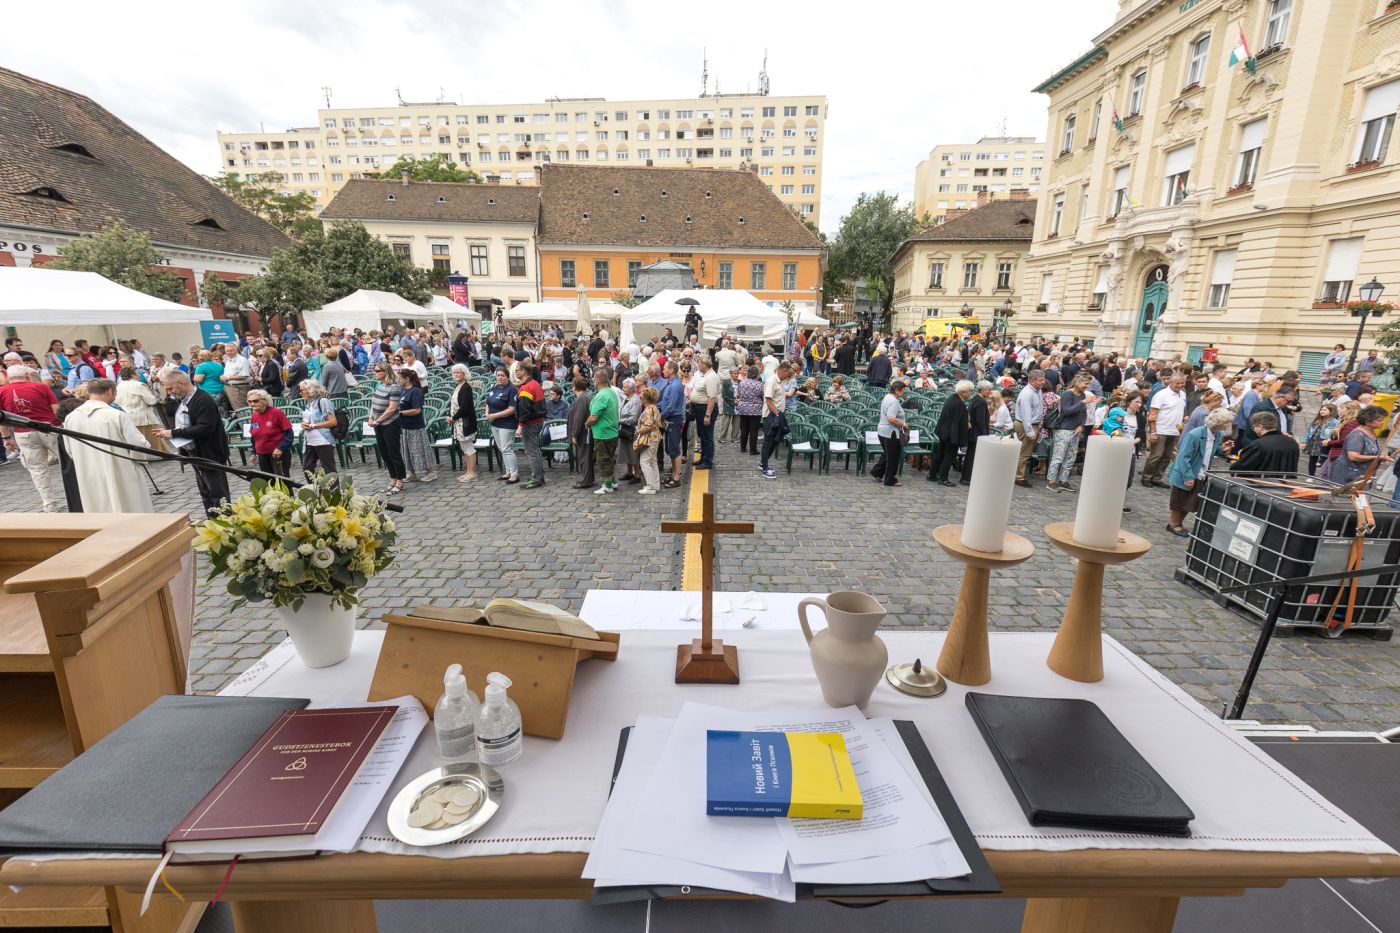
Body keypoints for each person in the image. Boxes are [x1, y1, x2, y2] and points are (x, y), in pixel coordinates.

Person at [64, 378, 155, 512]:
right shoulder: (116, 415)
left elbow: (69, 449)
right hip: (120, 469)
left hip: (88, 471)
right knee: (127, 504)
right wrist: (137, 460)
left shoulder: (71, 418)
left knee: (98, 505)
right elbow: (137, 443)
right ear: (110, 392)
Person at [155, 371, 230, 516]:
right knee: (206, 493)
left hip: (210, 453)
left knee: (218, 495)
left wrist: (173, 433)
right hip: (195, 452)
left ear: (181, 383)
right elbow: (186, 423)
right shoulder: (184, 399)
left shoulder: (202, 399)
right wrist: (169, 430)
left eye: (170, 388)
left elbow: (205, 427)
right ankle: (213, 525)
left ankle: (226, 526)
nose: (169, 393)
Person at [0, 364, 64, 511]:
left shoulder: (2, 391)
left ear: (9, 378)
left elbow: (1, 419)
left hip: (23, 433)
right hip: (49, 428)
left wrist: (6, 438)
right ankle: (78, 494)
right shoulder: (41, 387)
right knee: (68, 463)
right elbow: (56, 410)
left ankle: (50, 505)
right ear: (27, 376)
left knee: (37, 470)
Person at [1165, 408, 1236, 536]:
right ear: (1219, 422)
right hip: (1186, 472)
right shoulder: (1195, 434)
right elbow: (1183, 457)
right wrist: (1188, 477)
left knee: (1190, 501)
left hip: (1201, 473)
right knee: (1179, 500)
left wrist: (1223, 449)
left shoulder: (1218, 435)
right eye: (1227, 422)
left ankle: (1179, 524)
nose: (1229, 425)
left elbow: (1211, 452)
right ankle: (1173, 524)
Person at [366, 362, 407, 495]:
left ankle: (400, 480)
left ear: (385, 372)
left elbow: (392, 408)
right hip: (378, 424)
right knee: (384, 453)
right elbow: (373, 403)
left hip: (390, 424)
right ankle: (393, 478)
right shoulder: (380, 385)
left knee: (393, 453)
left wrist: (378, 420)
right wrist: (371, 417)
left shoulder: (394, 387)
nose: (375, 373)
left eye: (378, 370)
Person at [1141, 372, 1187, 487]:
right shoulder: (1161, 395)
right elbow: (1152, 415)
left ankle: (1157, 478)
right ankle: (1147, 477)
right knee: (1156, 455)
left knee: (1167, 457)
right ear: (1171, 382)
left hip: (1174, 430)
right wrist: (1153, 432)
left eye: (1183, 383)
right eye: (1178, 383)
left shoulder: (1182, 394)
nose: (1180, 385)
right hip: (1161, 430)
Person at [115, 365, 170, 454]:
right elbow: (151, 400)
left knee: (133, 440)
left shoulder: (119, 385)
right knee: (156, 439)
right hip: (142, 417)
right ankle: (166, 454)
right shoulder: (138, 385)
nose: (138, 375)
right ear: (132, 375)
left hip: (127, 417)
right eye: (136, 373)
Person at [1047, 376, 1089, 492]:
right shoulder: (1068, 394)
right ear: (1078, 382)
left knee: (1071, 457)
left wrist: (1081, 425)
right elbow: (1066, 411)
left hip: (1076, 430)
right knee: (1058, 456)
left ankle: (1063, 480)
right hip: (1064, 429)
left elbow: (1083, 413)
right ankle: (1051, 480)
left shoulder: (1082, 395)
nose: (1087, 386)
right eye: (1085, 383)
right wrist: (1082, 402)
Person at [1231, 411, 1304, 476]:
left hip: (1262, 485)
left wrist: (1237, 461)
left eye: (1253, 427)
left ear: (1260, 427)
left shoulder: (1259, 445)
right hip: (1287, 485)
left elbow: (1241, 469)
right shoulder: (1292, 442)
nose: (1254, 429)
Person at [928, 380, 972, 486]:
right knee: (949, 456)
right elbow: (957, 423)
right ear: (963, 392)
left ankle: (932, 475)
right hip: (951, 434)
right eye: (969, 391)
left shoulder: (952, 398)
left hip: (943, 431)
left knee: (940, 453)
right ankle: (943, 478)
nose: (971, 393)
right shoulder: (959, 404)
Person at [395, 369, 437, 484]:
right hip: (404, 426)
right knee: (407, 450)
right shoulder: (403, 390)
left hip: (415, 426)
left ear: (407, 379)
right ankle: (411, 473)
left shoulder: (416, 391)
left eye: (400, 378)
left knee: (419, 449)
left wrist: (401, 413)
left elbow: (417, 410)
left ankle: (430, 472)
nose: (398, 380)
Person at [586, 368, 620, 494]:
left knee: (603, 459)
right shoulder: (611, 392)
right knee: (610, 458)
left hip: (603, 434)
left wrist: (587, 424)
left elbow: (594, 417)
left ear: (597, 381)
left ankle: (607, 485)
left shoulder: (601, 396)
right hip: (612, 431)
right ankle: (613, 481)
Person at [298, 379, 339, 479]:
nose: (300, 393)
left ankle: (334, 493)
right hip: (310, 441)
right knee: (307, 468)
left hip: (323, 440)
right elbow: (308, 420)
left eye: (302, 390)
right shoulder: (308, 403)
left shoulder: (323, 401)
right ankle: (317, 490)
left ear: (310, 389)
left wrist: (314, 426)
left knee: (329, 469)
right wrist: (304, 424)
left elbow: (333, 421)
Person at [246, 389, 293, 479]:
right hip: (262, 454)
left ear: (265, 401)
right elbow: (254, 436)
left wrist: (280, 448)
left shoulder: (276, 413)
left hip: (277, 453)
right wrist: (253, 452)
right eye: (250, 401)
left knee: (282, 481)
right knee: (268, 481)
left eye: (255, 401)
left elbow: (289, 434)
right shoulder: (254, 415)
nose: (252, 404)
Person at [758, 361, 793, 480]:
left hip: (777, 414)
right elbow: (768, 400)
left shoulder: (779, 381)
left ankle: (764, 462)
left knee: (776, 440)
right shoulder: (772, 381)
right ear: (782, 371)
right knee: (768, 441)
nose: (787, 377)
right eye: (787, 374)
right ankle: (764, 467)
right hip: (771, 415)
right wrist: (777, 414)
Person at [515, 364, 546, 489]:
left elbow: (524, 410)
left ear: (523, 372)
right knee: (535, 450)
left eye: (517, 370)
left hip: (530, 423)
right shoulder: (535, 383)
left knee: (532, 451)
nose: (515, 372)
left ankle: (536, 478)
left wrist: (520, 425)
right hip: (537, 421)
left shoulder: (527, 388)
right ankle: (539, 476)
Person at [1013, 369, 1046, 488]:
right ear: (1032, 381)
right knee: (1024, 453)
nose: (1043, 382)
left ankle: (1018, 475)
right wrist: (1030, 431)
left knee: (1025, 453)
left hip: (1031, 424)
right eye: (1040, 380)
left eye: (1043, 379)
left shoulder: (1037, 390)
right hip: (1026, 425)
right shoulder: (1027, 393)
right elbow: (1026, 414)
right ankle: (1018, 477)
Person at [447, 364, 479, 483]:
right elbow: (453, 405)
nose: (456, 375)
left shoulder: (466, 387)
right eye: (454, 373)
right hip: (457, 421)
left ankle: (472, 472)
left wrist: (453, 418)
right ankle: (468, 471)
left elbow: (464, 407)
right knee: (464, 447)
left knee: (469, 447)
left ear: (464, 374)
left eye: (458, 373)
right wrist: (450, 417)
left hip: (464, 422)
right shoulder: (457, 386)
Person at [874, 380, 909, 488]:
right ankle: (890, 479)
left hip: (883, 431)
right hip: (891, 432)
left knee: (887, 454)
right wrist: (903, 423)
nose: (904, 392)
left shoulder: (887, 397)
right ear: (896, 390)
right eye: (903, 390)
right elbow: (891, 418)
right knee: (893, 457)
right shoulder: (894, 401)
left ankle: (877, 472)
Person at [658, 361, 686, 488]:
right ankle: (673, 474)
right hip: (669, 419)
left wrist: (660, 417)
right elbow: (664, 401)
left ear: (671, 370)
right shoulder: (669, 383)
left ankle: (676, 477)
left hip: (673, 420)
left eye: (665, 368)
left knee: (674, 448)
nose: (663, 371)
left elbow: (671, 406)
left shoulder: (675, 385)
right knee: (670, 449)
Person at [690, 355, 721, 470]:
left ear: (704, 364)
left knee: (707, 436)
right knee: (702, 435)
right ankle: (704, 457)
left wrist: (708, 415)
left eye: (699, 363)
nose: (698, 365)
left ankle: (708, 461)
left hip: (705, 409)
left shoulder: (711, 377)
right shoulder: (706, 375)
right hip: (700, 408)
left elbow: (712, 397)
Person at [633, 386, 663, 494]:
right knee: (653, 461)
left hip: (649, 438)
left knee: (644, 462)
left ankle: (650, 486)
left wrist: (638, 431)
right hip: (655, 437)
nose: (640, 399)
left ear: (645, 399)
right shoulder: (653, 407)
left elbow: (648, 426)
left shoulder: (648, 410)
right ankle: (655, 484)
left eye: (641, 398)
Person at [568, 374, 595, 489]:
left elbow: (579, 418)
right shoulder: (586, 396)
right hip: (585, 432)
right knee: (586, 457)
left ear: (575, 386)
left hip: (584, 433)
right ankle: (589, 479)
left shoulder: (581, 399)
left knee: (584, 457)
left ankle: (586, 481)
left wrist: (574, 434)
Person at [1302, 404, 1340, 476]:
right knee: (1312, 459)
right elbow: (1308, 431)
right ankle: (1311, 476)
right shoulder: (1317, 420)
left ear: (1331, 412)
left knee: (1324, 459)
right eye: (1321, 409)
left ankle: (1323, 475)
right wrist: (1305, 441)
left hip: (1324, 443)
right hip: (1314, 441)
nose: (1321, 411)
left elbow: (1334, 434)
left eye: (1324, 410)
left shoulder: (1335, 422)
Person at [617, 378, 642, 485]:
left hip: (632, 430)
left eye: (625, 387)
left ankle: (636, 474)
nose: (623, 389)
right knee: (626, 451)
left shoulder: (635, 400)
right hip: (624, 429)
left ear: (632, 389)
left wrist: (619, 421)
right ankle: (629, 472)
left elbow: (633, 418)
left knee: (633, 453)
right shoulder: (626, 398)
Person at [222, 343, 253, 411]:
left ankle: (245, 421)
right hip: (231, 387)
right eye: (227, 351)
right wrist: (223, 376)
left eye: (231, 350)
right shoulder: (228, 359)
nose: (229, 352)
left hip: (238, 387)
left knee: (241, 409)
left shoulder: (241, 360)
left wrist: (228, 377)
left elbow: (244, 375)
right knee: (237, 409)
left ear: (236, 350)